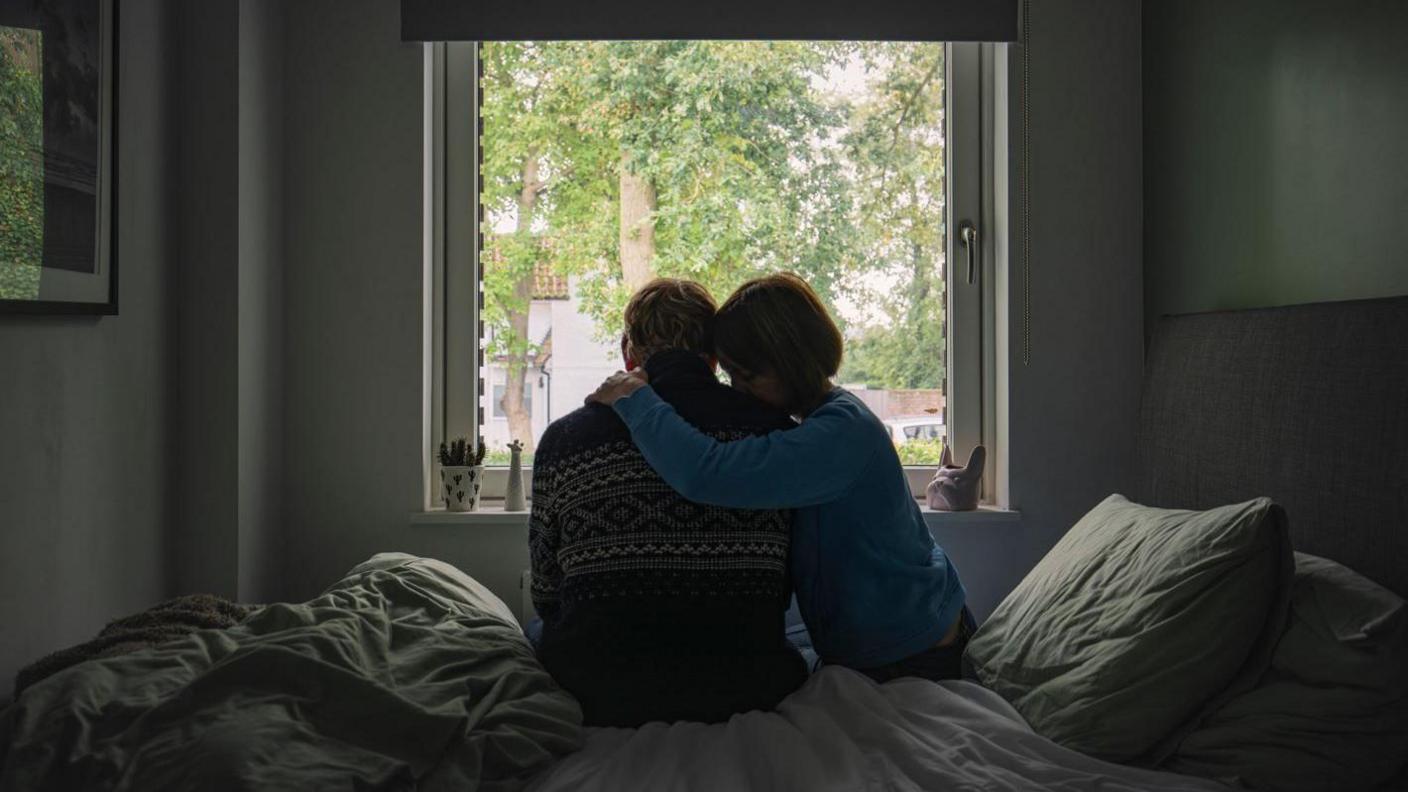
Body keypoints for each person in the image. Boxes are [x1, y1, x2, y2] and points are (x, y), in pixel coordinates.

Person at [588, 272, 973, 683]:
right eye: (729, 374)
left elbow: (707, 472)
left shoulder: (840, 434)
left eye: (746, 376)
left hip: (916, 648)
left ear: (791, 363)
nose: (736, 389)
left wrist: (636, 399)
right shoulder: (823, 421)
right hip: (892, 632)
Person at [529, 278, 807, 727]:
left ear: (628, 352)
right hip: (745, 684)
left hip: (598, 689)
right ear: (715, 356)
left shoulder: (564, 439)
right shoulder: (775, 432)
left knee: (536, 632)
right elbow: (791, 578)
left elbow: (545, 592)